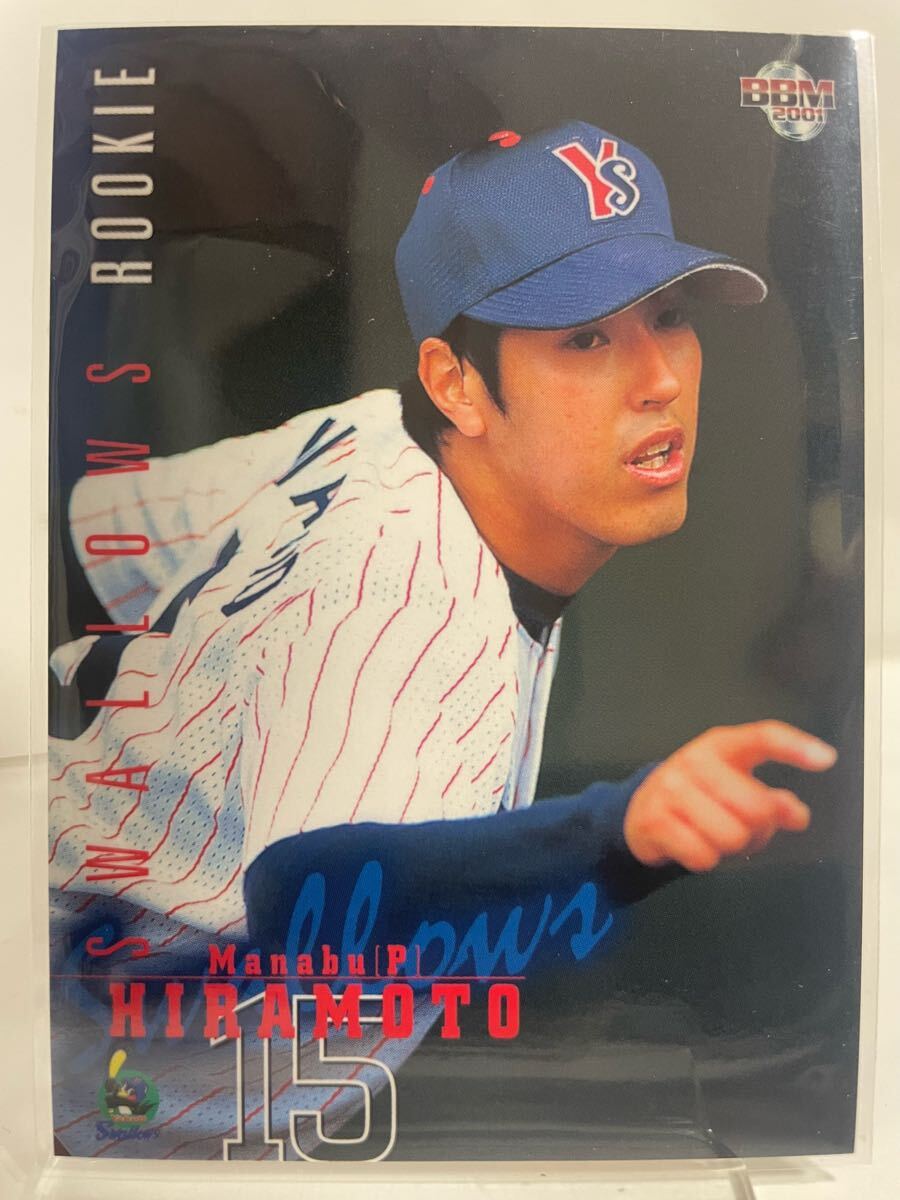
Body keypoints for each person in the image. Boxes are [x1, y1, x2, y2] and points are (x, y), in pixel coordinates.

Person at [47, 120, 836, 1159]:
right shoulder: (415, 617)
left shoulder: (369, 435)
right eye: (585, 337)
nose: (659, 378)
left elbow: (88, 535)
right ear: (457, 382)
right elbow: (306, 897)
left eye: (669, 316)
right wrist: (613, 833)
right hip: (63, 1075)